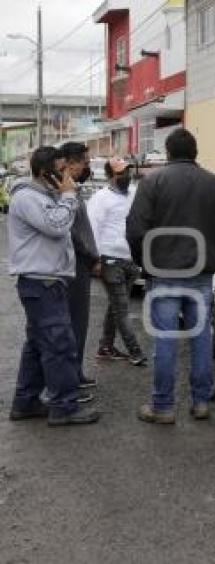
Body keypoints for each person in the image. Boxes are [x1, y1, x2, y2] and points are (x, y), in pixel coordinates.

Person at [126, 129, 215, 424]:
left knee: (165, 341)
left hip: (164, 273)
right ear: (195, 152)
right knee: (201, 338)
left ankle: (163, 407)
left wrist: (145, 263)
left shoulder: (153, 182)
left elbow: (135, 230)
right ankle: (201, 403)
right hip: (201, 275)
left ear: (168, 153)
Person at [7, 146, 100, 426]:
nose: (67, 175)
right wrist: (68, 196)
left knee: (37, 344)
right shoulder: (27, 197)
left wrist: (65, 197)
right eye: (61, 170)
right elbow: (56, 226)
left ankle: (26, 402)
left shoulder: (44, 196)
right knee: (60, 344)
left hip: (47, 280)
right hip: (41, 282)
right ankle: (63, 406)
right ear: (45, 172)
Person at [87, 157, 147, 366]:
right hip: (109, 260)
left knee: (116, 306)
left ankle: (105, 347)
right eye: (121, 172)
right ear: (111, 175)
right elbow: (92, 230)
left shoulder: (133, 193)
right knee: (122, 309)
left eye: (128, 172)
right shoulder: (100, 199)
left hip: (130, 260)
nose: (126, 176)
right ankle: (135, 351)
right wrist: (95, 260)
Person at [59, 142, 100, 396]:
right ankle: (70, 378)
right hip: (75, 265)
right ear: (71, 163)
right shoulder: (65, 191)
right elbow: (74, 232)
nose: (87, 166)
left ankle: (75, 372)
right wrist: (92, 255)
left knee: (79, 323)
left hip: (77, 263)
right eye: (84, 162)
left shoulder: (72, 189)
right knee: (74, 322)